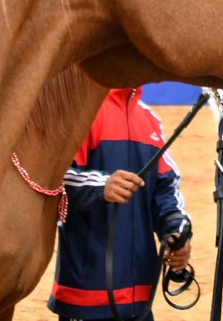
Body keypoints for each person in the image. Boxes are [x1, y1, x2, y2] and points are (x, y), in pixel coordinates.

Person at [48, 87, 193, 321]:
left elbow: (165, 189)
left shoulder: (150, 120)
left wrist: (176, 232)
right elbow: (52, 177)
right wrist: (101, 186)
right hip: (85, 299)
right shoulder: (82, 112)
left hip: (140, 302)